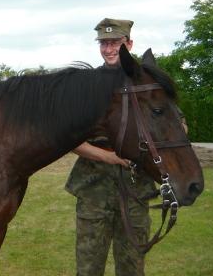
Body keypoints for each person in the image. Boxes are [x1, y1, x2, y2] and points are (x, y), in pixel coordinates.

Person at [65, 18, 157, 276]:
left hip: (136, 189)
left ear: (129, 44)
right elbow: (71, 140)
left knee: (132, 267)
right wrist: (111, 158)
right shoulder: (87, 85)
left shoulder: (145, 81)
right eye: (103, 43)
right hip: (93, 190)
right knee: (88, 268)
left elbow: (176, 124)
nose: (108, 49)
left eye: (115, 43)